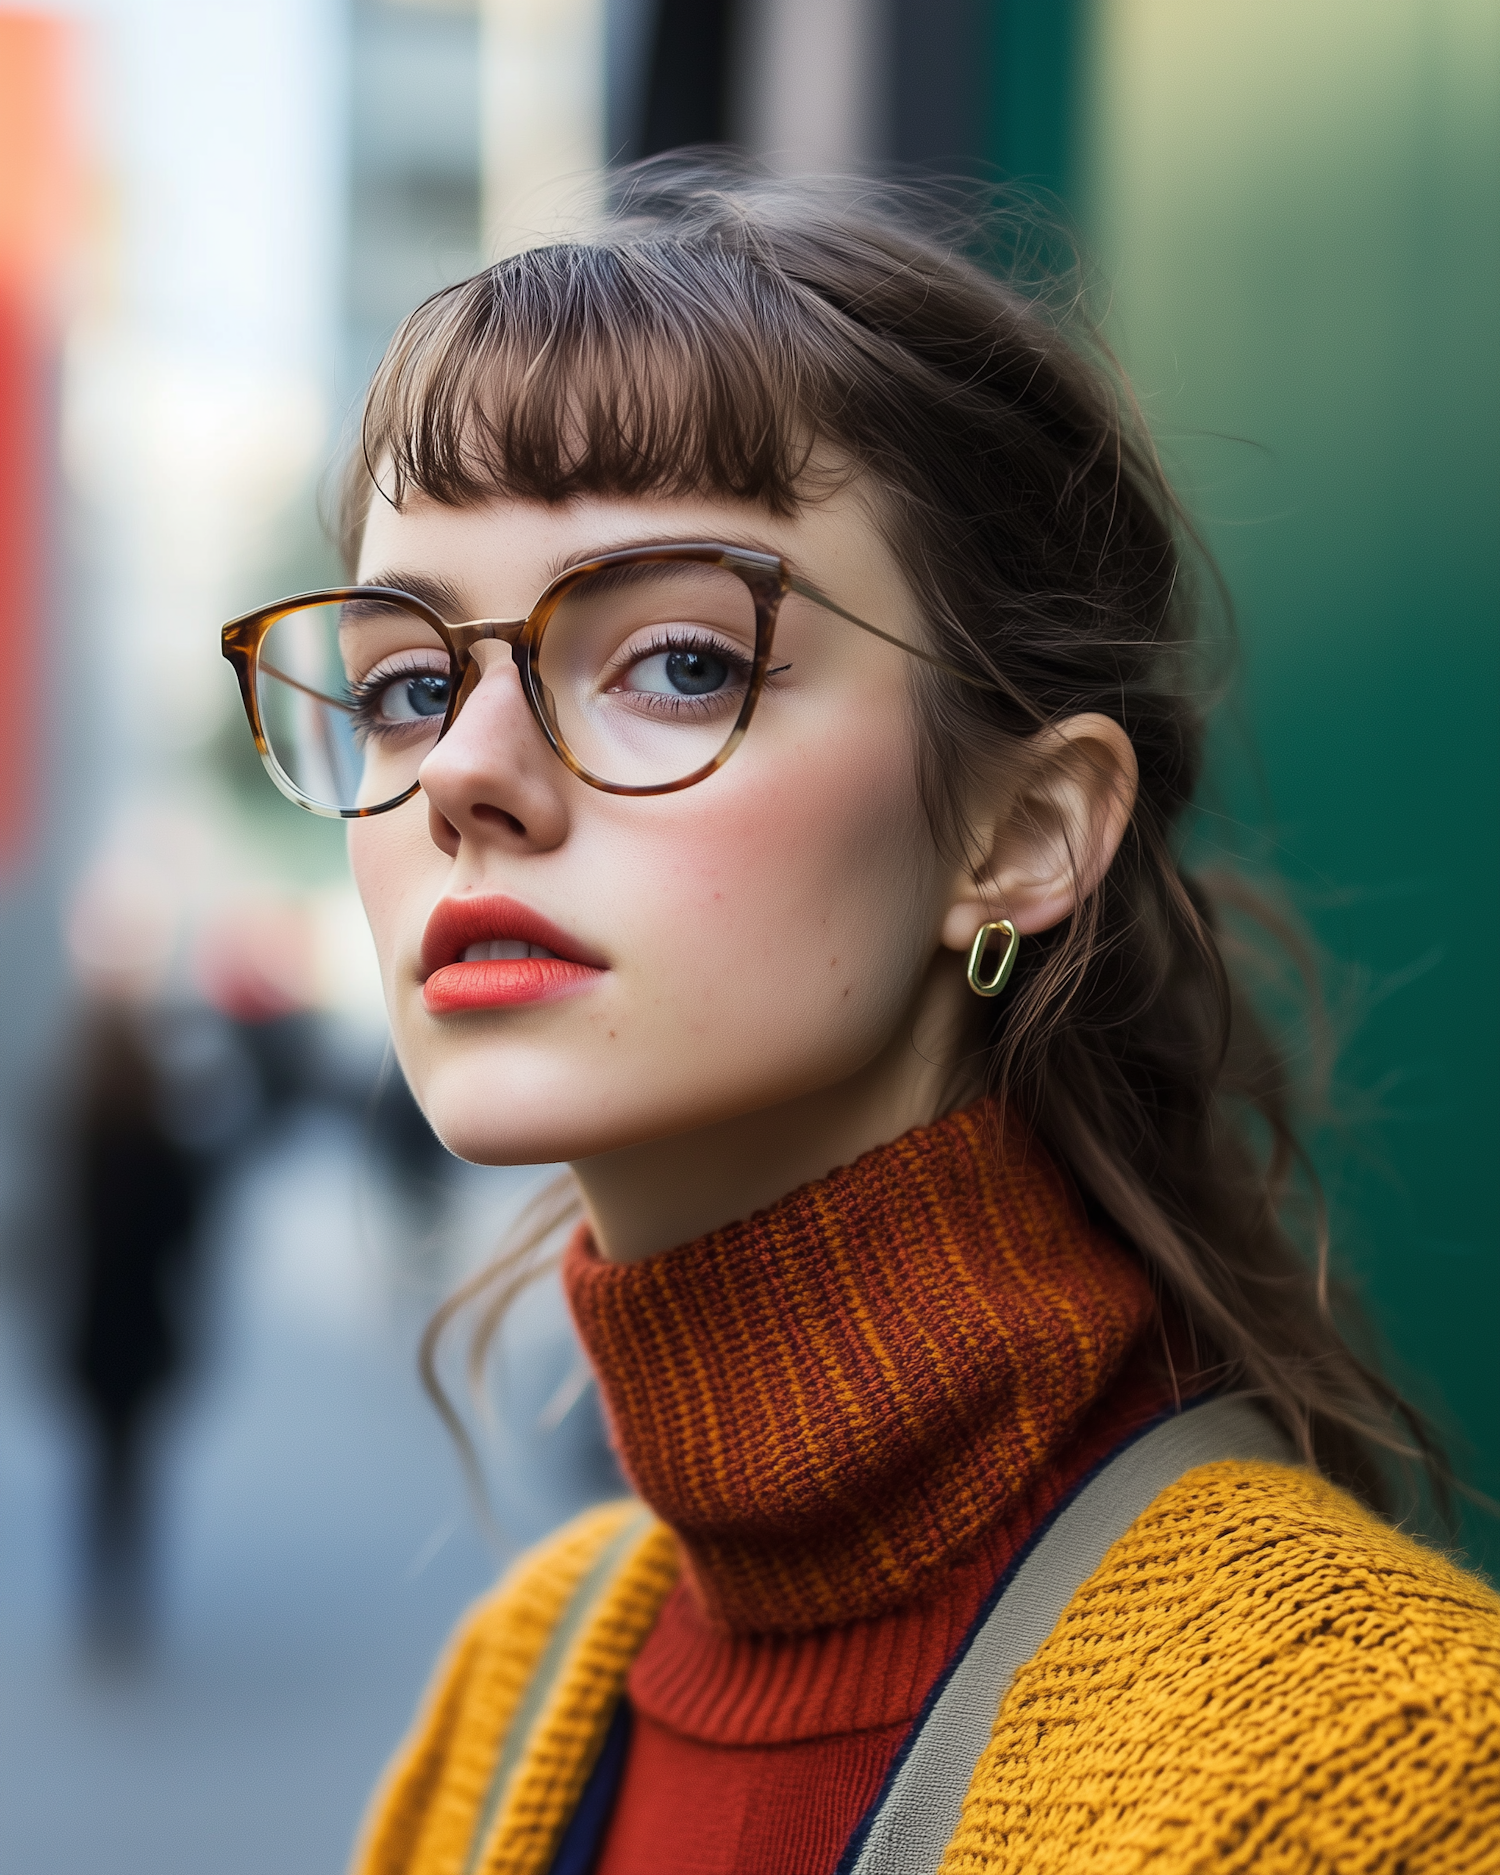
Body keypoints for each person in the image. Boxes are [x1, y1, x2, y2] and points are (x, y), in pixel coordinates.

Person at [221, 163, 1499, 1873]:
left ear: (1021, 833)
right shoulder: (520, 1685)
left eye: (678, 659)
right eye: (403, 683)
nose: (462, 774)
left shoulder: (1388, 1765)